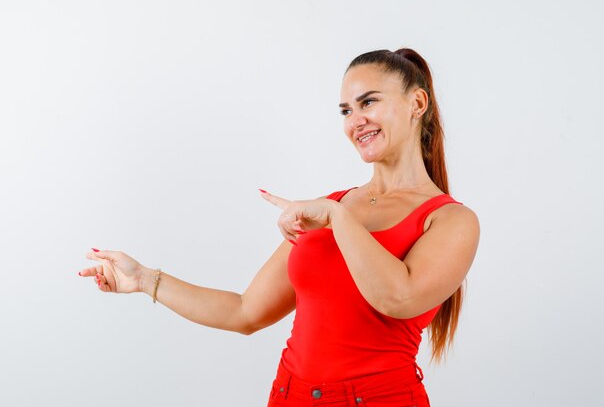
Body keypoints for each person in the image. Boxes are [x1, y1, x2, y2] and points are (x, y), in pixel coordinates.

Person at [79, 47, 480, 406]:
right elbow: (245, 312)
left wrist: (338, 218)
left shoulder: (449, 220)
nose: (355, 122)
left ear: (417, 103)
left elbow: (398, 297)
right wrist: (146, 279)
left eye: (368, 102)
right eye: (345, 111)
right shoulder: (331, 206)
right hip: (289, 395)